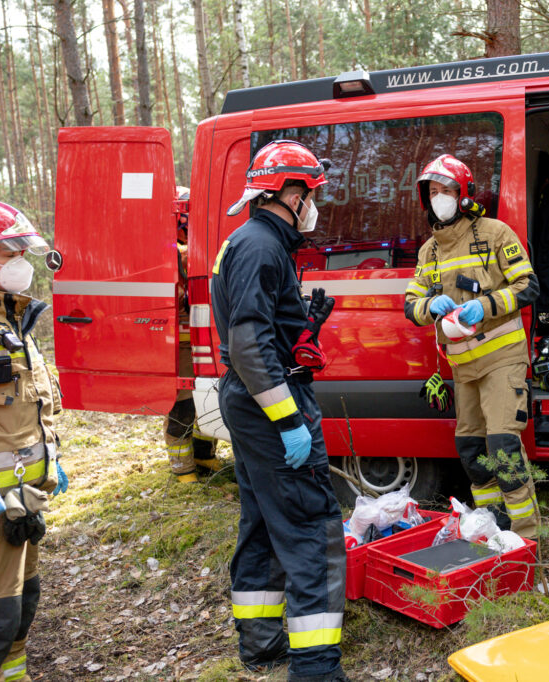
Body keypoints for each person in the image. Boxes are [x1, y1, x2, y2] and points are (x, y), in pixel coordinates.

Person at [213, 141, 347, 681]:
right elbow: (247, 344)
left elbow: (260, 332)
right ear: (290, 193)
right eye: (311, 192)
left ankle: (263, 640)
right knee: (310, 523)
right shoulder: (263, 247)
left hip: (250, 400)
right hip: (271, 407)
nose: (314, 203)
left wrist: (303, 329)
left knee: (264, 520)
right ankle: (315, 666)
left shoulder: (253, 242)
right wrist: (290, 420)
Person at [404, 154, 541, 538]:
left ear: (463, 194)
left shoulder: (495, 233)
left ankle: (526, 538)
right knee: (472, 452)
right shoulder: (429, 251)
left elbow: (528, 286)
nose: (439, 198)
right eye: (432, 192)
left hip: (501, 358)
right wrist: (430, 305)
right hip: (462, 368)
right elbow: (409, 305)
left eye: (446, 190)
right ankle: (491, 528)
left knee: (502, 447)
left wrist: (484, 305)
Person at [0, 199, 67, 682]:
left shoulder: (11, 319)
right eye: (7, 251)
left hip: (27, 497)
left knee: (20, 609)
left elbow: (36, 400)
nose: (19, 262)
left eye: (21, 250)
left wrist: (53, 460)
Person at [165, 187, 220, 483]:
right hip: (177, 347)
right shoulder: (168, 253)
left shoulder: (197, 249)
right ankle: (183, 469)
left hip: (203, 338)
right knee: (183, 406)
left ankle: (203, 454)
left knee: (207, 400)